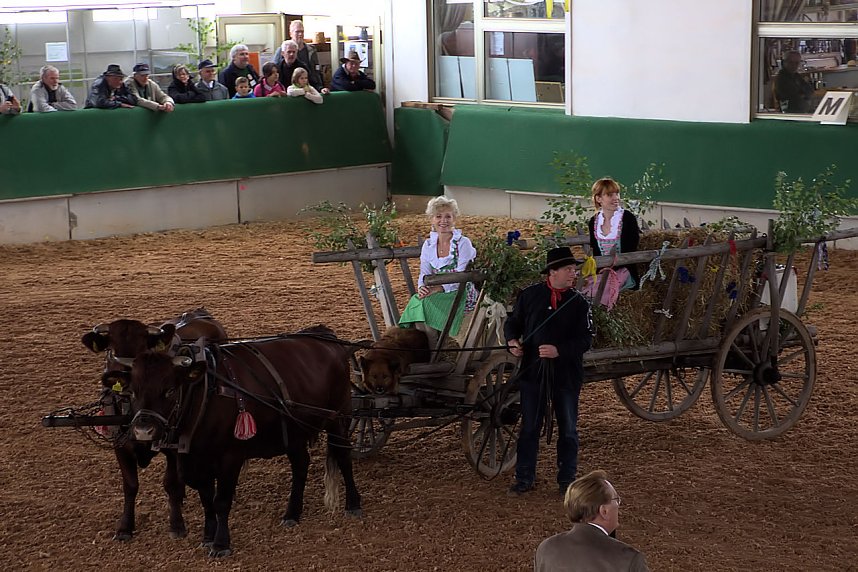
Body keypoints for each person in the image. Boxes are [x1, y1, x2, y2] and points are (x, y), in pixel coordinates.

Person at [505, 246, 593, 496]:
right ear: (552, 272)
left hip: (566, 374)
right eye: (568, 269)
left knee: (568, 428)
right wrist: (512, 342)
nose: (573, 274)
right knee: (530, 426)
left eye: (574, 270)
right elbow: (513, 322)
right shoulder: (530, 296)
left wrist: (559, 350)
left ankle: (567, 480)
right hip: (533, 372)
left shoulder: (579, 303)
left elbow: (586, 339)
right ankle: (524, 478)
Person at [534, 470, 650, 572]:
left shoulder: (546, 548)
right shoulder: (629, 559)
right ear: (604, 511)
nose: (619, 505)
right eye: (616, 500)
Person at [399, 196, 477, 343]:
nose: (443, 221)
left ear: (454, 219)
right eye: (438, 216)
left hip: (460, 291)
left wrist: (439, 288)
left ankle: (434, 346)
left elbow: (462, 276)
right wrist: (423, 287)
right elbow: (424, 273)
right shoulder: (428, 245)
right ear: (432, 219)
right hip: (437, 289)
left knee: (426, 303)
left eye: (448, 216)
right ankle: (426, 344)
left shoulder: (462, 243)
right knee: (417, 300)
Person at [584, 177, 641, 307]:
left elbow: (631, 249)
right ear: (599, 199)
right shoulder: (594, 222)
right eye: (610, 195)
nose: (615, 198)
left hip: (624, 271)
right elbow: (596, 251)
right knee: (581, 288)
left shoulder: (627, 218)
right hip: (601, 272)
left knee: (597, 293)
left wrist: (610, 267)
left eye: (617, 194)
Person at [273, 19, 327, 94]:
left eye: (302, 31)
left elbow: (316, 71)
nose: (300, 34)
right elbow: (274, 70)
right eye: (297, 31)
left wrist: (320, 87)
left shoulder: (311, 50)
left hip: (309, 89)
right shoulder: (281, 50)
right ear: (291, 33)